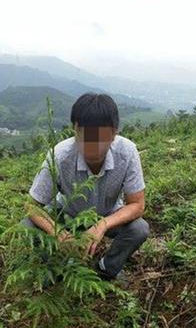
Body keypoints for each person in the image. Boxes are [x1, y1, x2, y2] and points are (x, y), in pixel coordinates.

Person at [21, 92, 150, 282]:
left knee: (139, 229)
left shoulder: (127, 152)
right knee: (27, 226)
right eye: (85, 137)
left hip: (109, 214)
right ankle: (58, 267)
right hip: (66, 215)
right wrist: (57, 233)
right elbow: (31, 205)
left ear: (114, 133)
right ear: (75, 129)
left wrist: (102, 224)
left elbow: (137, 204)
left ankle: (106, 268)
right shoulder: (59, 156)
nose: (91, 147)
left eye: (99, 139)